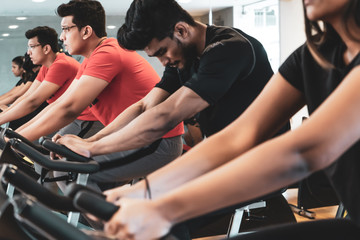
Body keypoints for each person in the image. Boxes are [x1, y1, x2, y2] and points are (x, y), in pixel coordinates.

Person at [101, 0, 360, 239]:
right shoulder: (313, 55)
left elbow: (303, 151)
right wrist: (144, 190)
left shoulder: (231, 47)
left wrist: (165, 206)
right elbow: (239, 134)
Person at [56, 0, 288, 169]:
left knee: (154, 209)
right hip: (227, 155)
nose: (163, 61)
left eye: (162, 52)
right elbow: (144, 106)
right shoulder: (181, 57)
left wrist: (92, 149)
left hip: (264, 160)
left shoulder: (229, 49)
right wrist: (91, 140)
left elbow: (166, 116)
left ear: (181, 30)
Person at [17, 0, 184, 191]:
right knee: (66, 172)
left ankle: (113, 221)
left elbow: (69, 109)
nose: (62, 37)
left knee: (69, 174)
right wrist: (16, 137)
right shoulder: (91, 59)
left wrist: (14, 140)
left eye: (66, 29)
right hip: (130, 137)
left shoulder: (108, 52)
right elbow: (61, 103)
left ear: (86, 31)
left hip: (157, 141)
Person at [0, 26, 102, 137]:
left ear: (46, 49)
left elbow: (33, 102)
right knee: (16, 139)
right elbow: (27, 97)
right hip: (69, 116)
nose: (28, 52)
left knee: (21, 144)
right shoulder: (46, 66)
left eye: (32, 47)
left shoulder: (61, 64)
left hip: (86, 119)